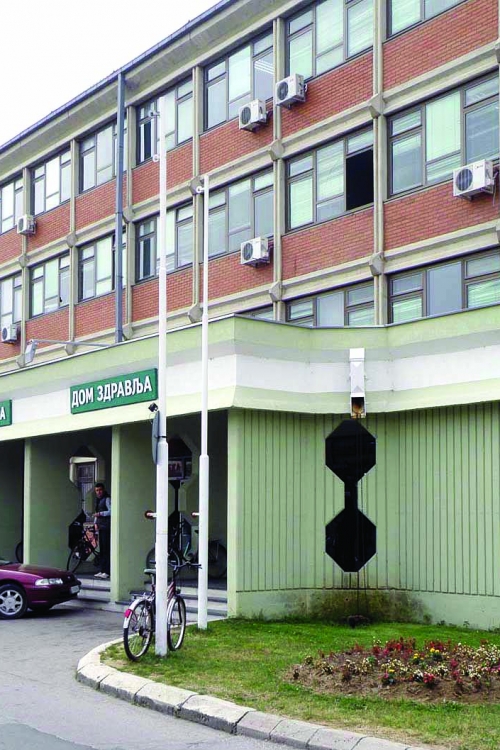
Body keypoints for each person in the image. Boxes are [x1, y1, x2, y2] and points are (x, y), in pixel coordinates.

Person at [93, 483, 111, 579]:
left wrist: (101, 514)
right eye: (97, 490)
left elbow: (111, 511)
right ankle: (102, 570)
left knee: (106, 549)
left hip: (106, 527)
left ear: (103, 490)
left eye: (100, 490)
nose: (98, 492)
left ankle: (107, 571)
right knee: (102, 550)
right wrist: (95, 523)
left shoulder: (107, 499)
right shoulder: (98, 500)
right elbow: (96, 513)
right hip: (101, 527)